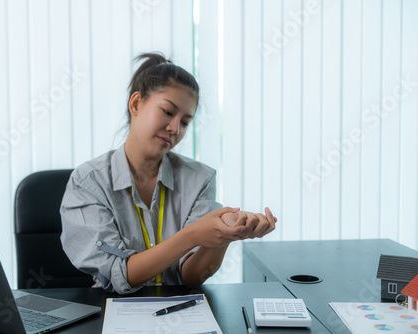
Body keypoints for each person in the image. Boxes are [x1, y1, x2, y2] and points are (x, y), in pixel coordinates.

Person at [60, 52, 276, 294]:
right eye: (167, 112)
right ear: (136, 104)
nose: (175, 129)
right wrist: (192, 235)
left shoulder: (200, 179)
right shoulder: (88, 182)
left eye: (185, 122)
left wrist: (224, 234)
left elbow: (192, 278)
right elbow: (121, 273)